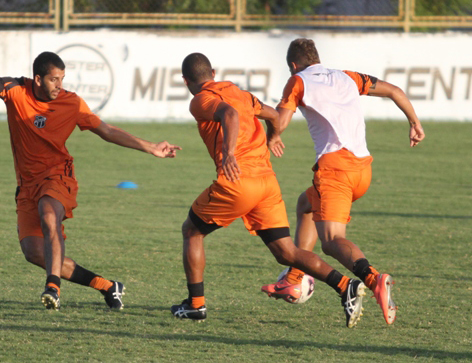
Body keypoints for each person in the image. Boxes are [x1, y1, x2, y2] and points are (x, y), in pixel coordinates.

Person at [0, 51, 180, 311]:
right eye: (54, 79)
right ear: (38, 79)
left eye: (62, 79)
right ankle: (107, 286)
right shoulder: (17, 90)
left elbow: (107, 130)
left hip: (58, 175)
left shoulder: (71, 103)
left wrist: (151, 147)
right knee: (34, 252)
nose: (59, 85)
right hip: (27, 184)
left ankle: (52, 288)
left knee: (48, 213)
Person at [172, 52, 366, 328]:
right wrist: (273, 136)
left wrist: (229, 153)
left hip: (239, 182)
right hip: (267, 183)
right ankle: (345, 285)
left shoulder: (200, 99)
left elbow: (228, 114)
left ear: (185, 80)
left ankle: (195, 305)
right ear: (213, 73)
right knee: (286, 252)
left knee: (192, 231)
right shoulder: (240, 93)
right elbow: (273, 115)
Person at [261, 38, 425, 325]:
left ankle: (374, 279)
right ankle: (295, 276)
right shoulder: (347, 77)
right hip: (362, 170)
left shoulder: (298, 81)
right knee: (305, 205)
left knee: (332, 241)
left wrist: (272, 135)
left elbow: (280, 120)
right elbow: (395, 91)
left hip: (335, 171)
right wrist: (414, 122)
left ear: (293, 65)